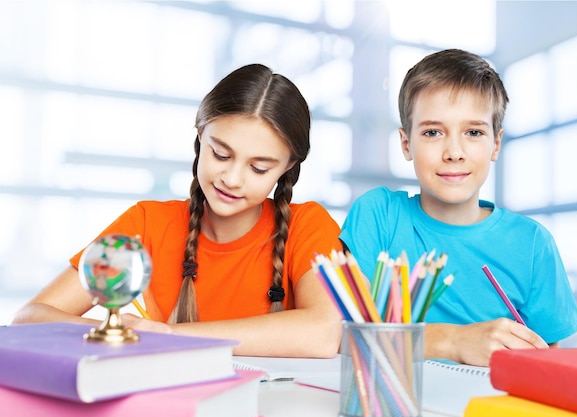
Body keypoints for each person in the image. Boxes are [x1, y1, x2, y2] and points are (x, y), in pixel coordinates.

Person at [12, 64, 343, 358]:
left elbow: (325, 333)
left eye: (258, 168)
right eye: (221, 154)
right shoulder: (148, 223)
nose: (232, 178)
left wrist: (168, 337)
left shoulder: (308, 226)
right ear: (201, 136)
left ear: (287, 167)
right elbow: (30, 318)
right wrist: (119, 332)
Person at [340, 49, 577, 367]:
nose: (454, 151)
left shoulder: (533, 243)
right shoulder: (378, 216)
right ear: (405, 144)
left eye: (473, 132)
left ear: (495, 144)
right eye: (432, 132)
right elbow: (342, 337)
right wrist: (453, 341)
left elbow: (548, 365)